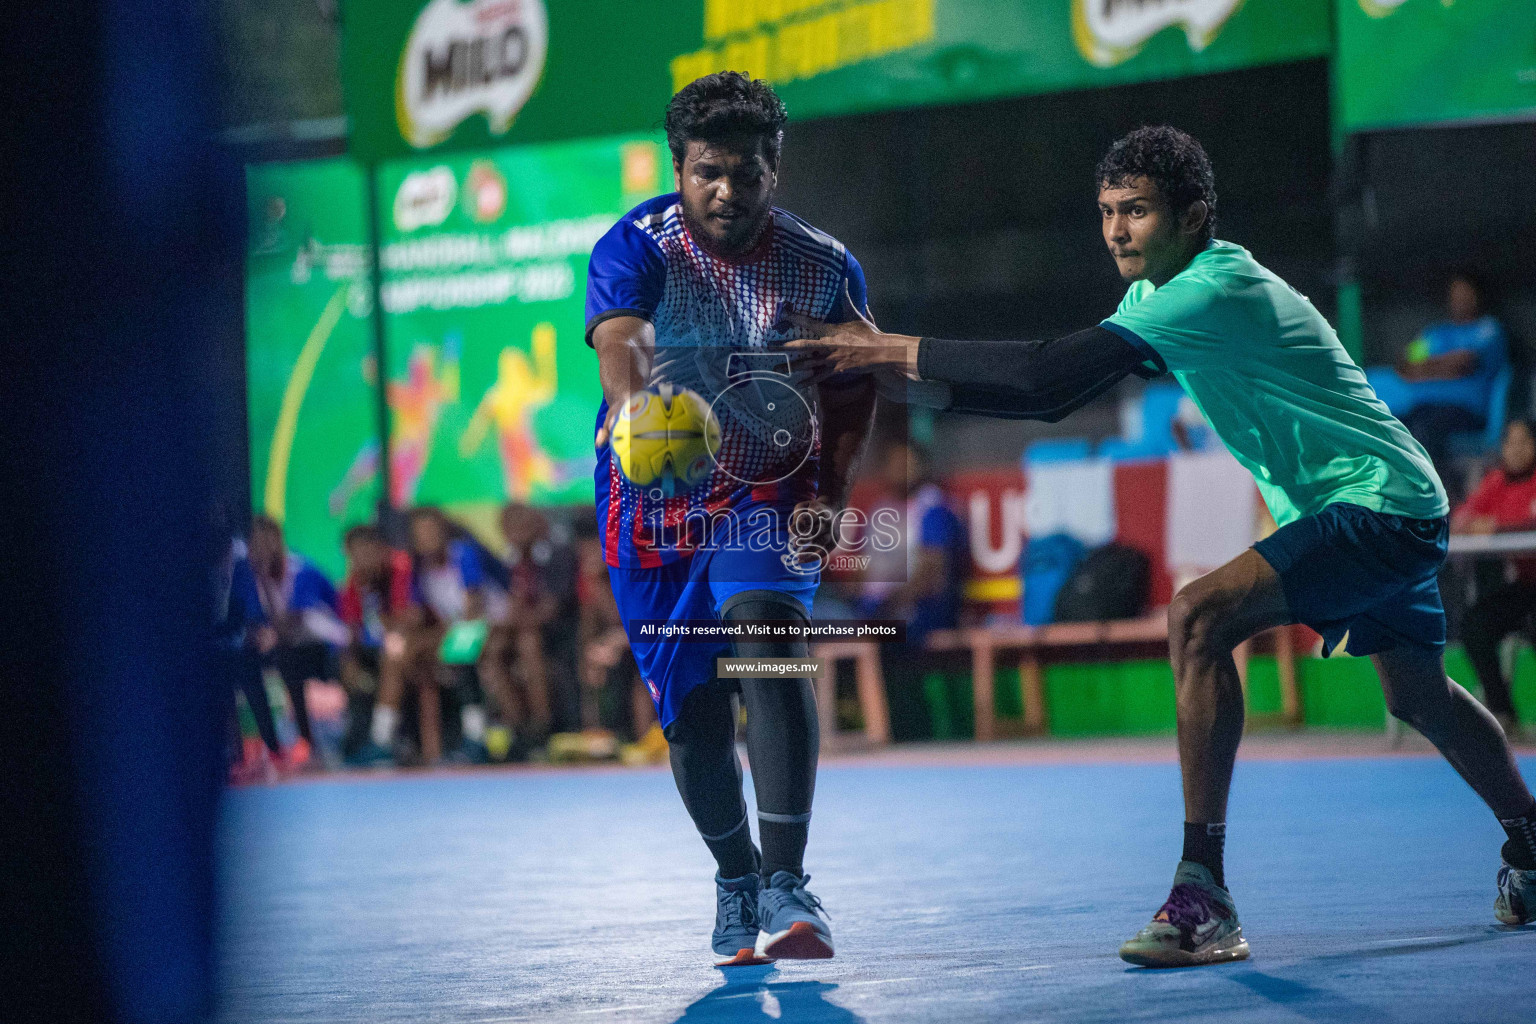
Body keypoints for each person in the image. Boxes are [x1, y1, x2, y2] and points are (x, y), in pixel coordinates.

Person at [786, 125, 1536, 961]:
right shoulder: (1154, 298)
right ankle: (1532, 845)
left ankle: (1202, 894)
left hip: (1379, 504)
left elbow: (1046, 374)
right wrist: (885, 374)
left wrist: (886, 345)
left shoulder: (1211, 288)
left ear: (1194, 215)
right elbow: (1047, 400)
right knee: (1420, 698)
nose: (1115, 230)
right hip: (1378, 501)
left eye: (1136, 211)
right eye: (1107, 211)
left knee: (1198, 616)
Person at [586, 72, 876, 963]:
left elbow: (855, 383)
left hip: (765, 492)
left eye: (747, 173)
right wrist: (640, 412)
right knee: (698, 720)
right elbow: (620, 340)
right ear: (680, 167)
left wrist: (827, 496)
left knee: (767, 639)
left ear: (774, 169)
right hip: (653, 504)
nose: (727, 190)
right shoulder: (635, 245)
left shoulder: (825, 267)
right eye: (708, 171)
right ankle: (736, 877)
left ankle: (789, 886)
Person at [856, 441, 968, 740]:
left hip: (924, 610)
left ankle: (910, 729)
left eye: (906, 463)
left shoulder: (934, 509)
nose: (899, 471)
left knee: (889, 637)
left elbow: (931, 574)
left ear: (923, 468)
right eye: (893, 463)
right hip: (879, 610)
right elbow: (864, 572)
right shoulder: (881, 512)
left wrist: (888, 605)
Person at [1376, 273, 1510, 485]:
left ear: (1476, 296)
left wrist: (1423, 368)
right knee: (1395, 426)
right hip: (1426, 407)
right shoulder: (1437, 333)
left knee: (1424, 430)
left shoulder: (1487, 329)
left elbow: (1463, 364)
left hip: (1467, 411)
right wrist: (1438, 366)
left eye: (1465, 293)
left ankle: (1439, 496)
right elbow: (1404, 363)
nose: (1460, 299)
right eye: (1455, 294)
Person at [235, 515, 346, 768]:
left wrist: (271, 634)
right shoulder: (248, 575)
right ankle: (269, 745)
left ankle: (307, 740)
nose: (261, 549)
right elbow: (253, 618)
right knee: (246, 663)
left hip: (325, 642)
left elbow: (298, 617)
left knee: (288, 659)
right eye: (255, 543)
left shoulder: (300, 569)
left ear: (278, 541)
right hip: (285, 642)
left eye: (267, 541)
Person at [1455, 419, 1536, 735]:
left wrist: (1496, 526)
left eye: (1524, 441)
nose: (1516, 449)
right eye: (1510, 442)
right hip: (1525, 587)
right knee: (1475, 627)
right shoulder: (1496, 481)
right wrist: (1468, 522)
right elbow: (1464, 518)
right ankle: (1504, 713)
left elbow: (1523, 525)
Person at [336, 524, 415, 764]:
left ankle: (382, 741)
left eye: (366, 551)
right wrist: (349, 662)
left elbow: (405, 621)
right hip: (378, 650)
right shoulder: (353, 584)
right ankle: (357, 738)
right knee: (350, 667)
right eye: (354, 554)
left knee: (393, 654)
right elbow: (352, 632)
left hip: (415, 642)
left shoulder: (401, 568)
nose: (361, 560)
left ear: (381, 549)